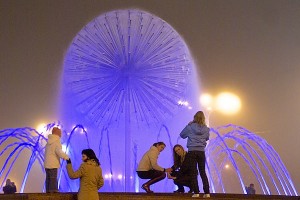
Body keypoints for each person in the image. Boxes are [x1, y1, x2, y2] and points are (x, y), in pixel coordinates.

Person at [180, 111, 210, 198]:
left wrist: (188, 126)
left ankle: (196, 192)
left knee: (193, 172)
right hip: (201, 152)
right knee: (202, 172)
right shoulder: (206, 129)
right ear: (203, 118)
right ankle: (207, 193)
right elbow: (207, 138)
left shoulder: (190, 127)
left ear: (194, 117)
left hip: (192, 151)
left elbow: (182, 135)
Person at [44, 127, 70, 193]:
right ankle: (53, 192)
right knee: (53, 178)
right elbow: (59, 151)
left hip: (47, 163)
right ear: (57, 133)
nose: (61, 134)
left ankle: (48, 191)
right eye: (60, 132)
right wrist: (67, 158)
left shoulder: (49, 142)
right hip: (53, 163)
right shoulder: (56, 141)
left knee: (48, 178)